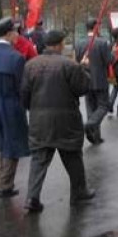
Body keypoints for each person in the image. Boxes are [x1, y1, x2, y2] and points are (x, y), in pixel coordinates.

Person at [21, 29, 96, 213]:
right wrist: (84, 68)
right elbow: (83, 88)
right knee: (72, 157)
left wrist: (35, 110)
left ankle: (32, 197)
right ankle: (79, 192)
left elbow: (24, 95)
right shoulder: (69, 65)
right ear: (60, 44)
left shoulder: (31, 65)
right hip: (66, 120)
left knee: (39, 160)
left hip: (40, 121)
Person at [0, 18, 29, 198]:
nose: (18, 35)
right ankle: (5, 185)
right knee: (12, 144)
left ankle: (3, 179)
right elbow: (22, 87)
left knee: (0, 143)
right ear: (9, 34)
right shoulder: (16, 58)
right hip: (11, 105)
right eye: (16, 32)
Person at [74, 19, 111, 144]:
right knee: (103, 106)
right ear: (95, 27)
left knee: (91, 108)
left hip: (85, 79)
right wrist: (113, 54)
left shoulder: (79, 43)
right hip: (100, 79)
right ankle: (90, 125)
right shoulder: (102, 43)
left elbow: (77, 61)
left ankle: (95, 136)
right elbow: (109, 60)